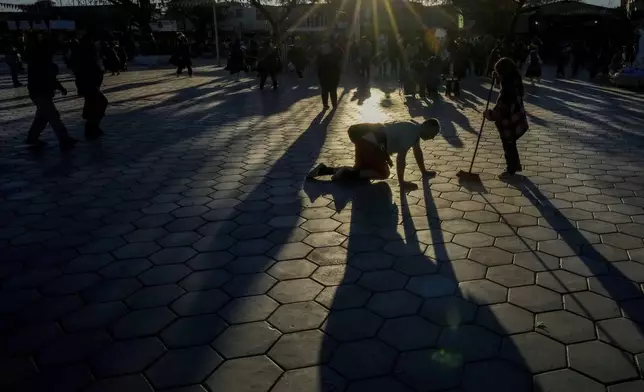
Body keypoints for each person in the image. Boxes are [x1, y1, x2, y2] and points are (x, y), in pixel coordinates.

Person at [307, 119, 441, 190]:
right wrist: (402, 182)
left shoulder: (415, 129)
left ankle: (324, 170)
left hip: (367, 141)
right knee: (383, 173)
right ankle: (344, 173)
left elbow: (418, 152)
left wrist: (424, 172)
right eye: (433, 133)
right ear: (427, 126)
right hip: (370, 145)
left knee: (362, 170)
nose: (432, 137)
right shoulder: (412, 133)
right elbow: (401, 159)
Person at [25, 34, 77, 149]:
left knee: (42, 117)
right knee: (53, 116)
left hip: (39, 92)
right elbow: (48, 77)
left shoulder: (39, 60)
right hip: (40, 92)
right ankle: (64, 138)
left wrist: (59, 86)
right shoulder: (41, 61)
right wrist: (59, 86)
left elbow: (51, 78)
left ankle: (32, 137)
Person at [484, 58, 528, 178]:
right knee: (511, 144)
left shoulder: (507, 92)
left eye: (499, 73)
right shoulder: (515, 82)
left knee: (509, 146)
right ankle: (515, 166)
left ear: (503, 74)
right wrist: (496, 77)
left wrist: (488, 114)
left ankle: (511, 170)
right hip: (516, 119)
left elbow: (500, 111)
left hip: (508, 123)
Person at [70, 30, 109, 140]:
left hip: (89, 83)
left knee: (94, 104)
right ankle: (91, 126)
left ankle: (92, 127)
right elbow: (87, 69)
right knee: (101, 102)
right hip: (88, 83)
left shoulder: (89, 50)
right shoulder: (87, 51)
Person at [317, 39, 342, 110]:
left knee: (325, 90)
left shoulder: (321, 50)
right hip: (333, 73)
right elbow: (341, 56)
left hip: (324, 73)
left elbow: (318, 62)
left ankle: (326, 104)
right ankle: (334, 104)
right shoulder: (336, 49)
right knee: (333, 90)